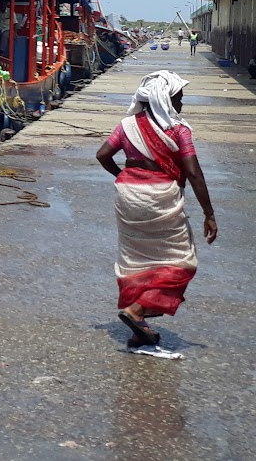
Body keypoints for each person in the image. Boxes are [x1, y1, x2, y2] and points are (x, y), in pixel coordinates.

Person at [95, 71, 217, 347]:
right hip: (161, 197)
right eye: (179, 98)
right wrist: (209, 213)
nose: (182, 105)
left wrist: (122, 177)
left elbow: (103, 155)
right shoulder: (178, 130)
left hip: (127, 198)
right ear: (167, 99)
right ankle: (136, 310)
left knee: (137, 260)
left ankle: (140, 328)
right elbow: (193, 172)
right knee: (182, 260)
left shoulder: (127, 125)